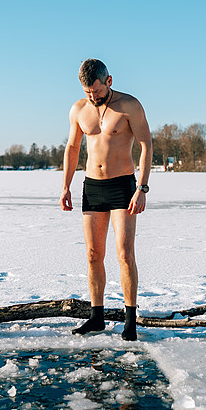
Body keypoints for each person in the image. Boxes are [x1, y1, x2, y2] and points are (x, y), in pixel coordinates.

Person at [60, 59, 152, 341]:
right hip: (92, 187)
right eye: (88, 91)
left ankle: (130, 320)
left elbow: (146, 144)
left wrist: (142, 188)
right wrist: (66, 186)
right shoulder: (79, 109)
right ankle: (96, 317)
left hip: (123, 186)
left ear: (109, 81)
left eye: (97, 91)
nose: (93, 96)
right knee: (92, 255)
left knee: (124, 255)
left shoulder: (129, 105)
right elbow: (73, 147)